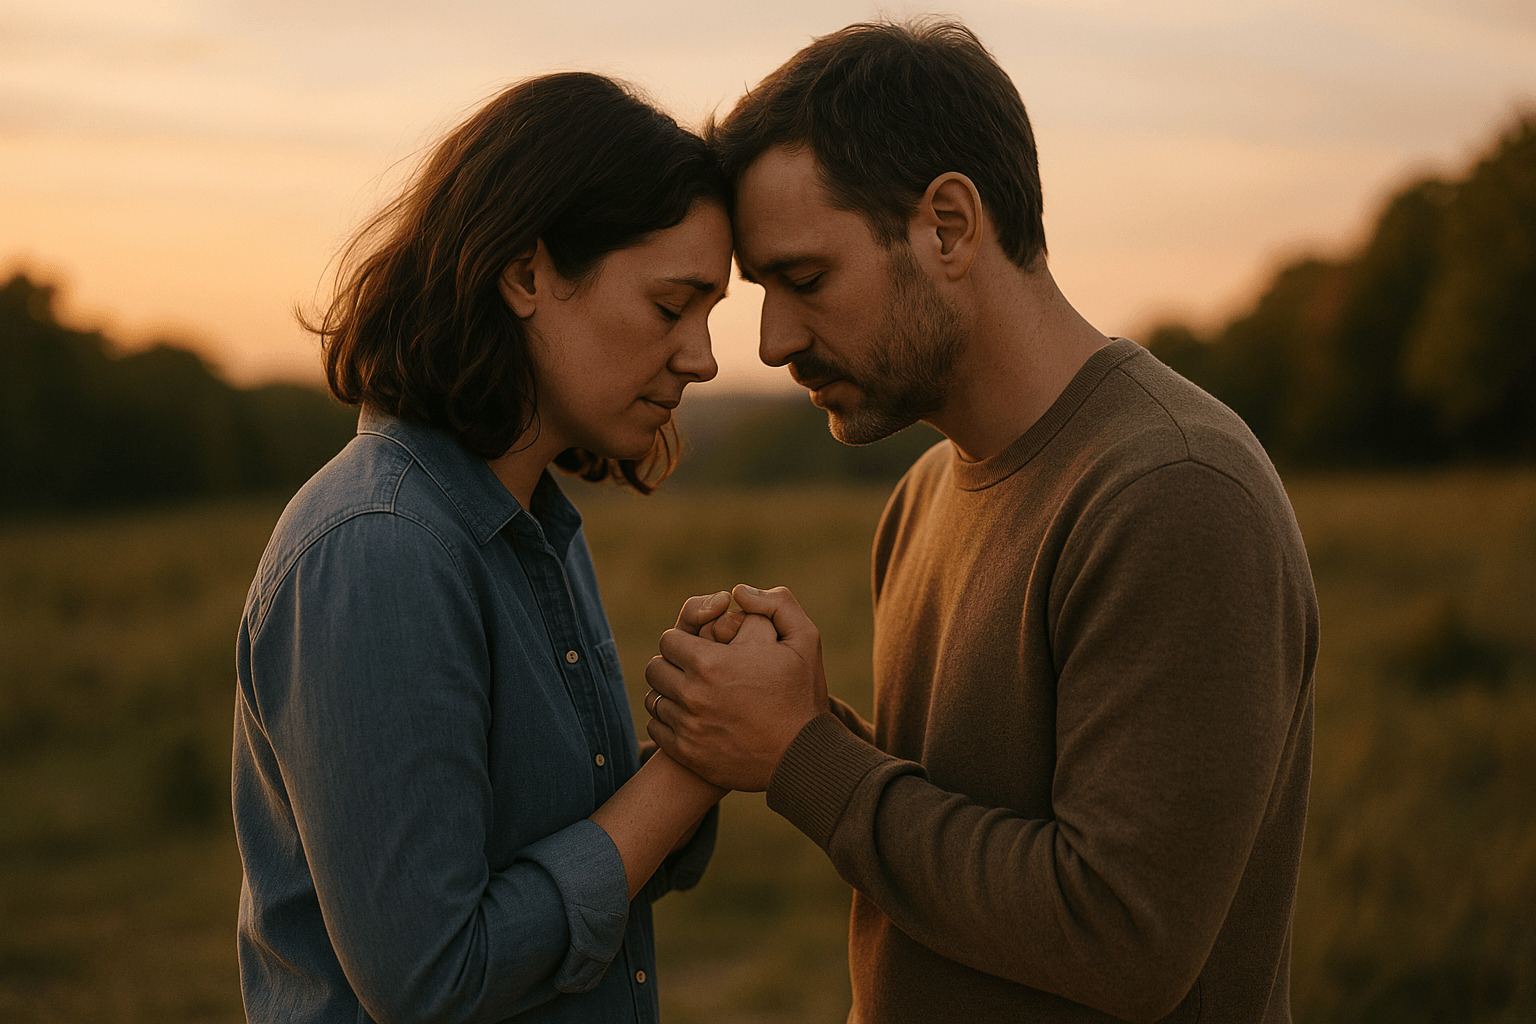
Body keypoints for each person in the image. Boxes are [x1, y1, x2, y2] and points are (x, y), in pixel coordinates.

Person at [643, 20, 1318, 1024]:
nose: (774, 340)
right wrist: (800, 722)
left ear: (950, 226)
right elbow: (963, 826)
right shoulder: (923, 495)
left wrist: (803, 756)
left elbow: (1123, 937)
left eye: (807, 279)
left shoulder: (1174, 489)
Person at [231, 72, 732, 1023]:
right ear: (525, 274)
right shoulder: (382, 550)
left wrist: (720, 718)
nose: (703, 356)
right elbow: (435, 980)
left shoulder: (531, 526)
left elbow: (568, 854)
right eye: (672, 306)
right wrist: (689, 773)